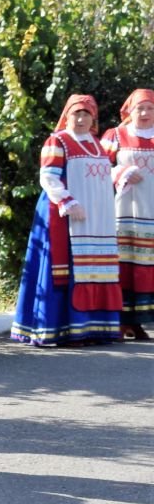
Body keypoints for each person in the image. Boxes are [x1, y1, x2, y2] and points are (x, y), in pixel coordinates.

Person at [12, 94, 123, 346]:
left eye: (87, 114)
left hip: (97, 221)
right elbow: (49, 177)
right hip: (64, 217)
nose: (82, 118)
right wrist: (68, 201)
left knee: (96, 269)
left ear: (94, 118)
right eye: (77, 113)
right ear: (67, 116)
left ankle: (94, 328)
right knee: (65, 270)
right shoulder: (58, 141)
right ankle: (63, 329)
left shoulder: (98, 144)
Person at [101, 88, 154, 339]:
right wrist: (119, 173)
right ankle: (124, 320)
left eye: (150, 108)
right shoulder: (117, 136)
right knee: (125, 265)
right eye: (139, 108)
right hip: (123, 213)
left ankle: (141, 320)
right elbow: (98, 165)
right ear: (129, 111)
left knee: (147, 267)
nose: (144, 113)